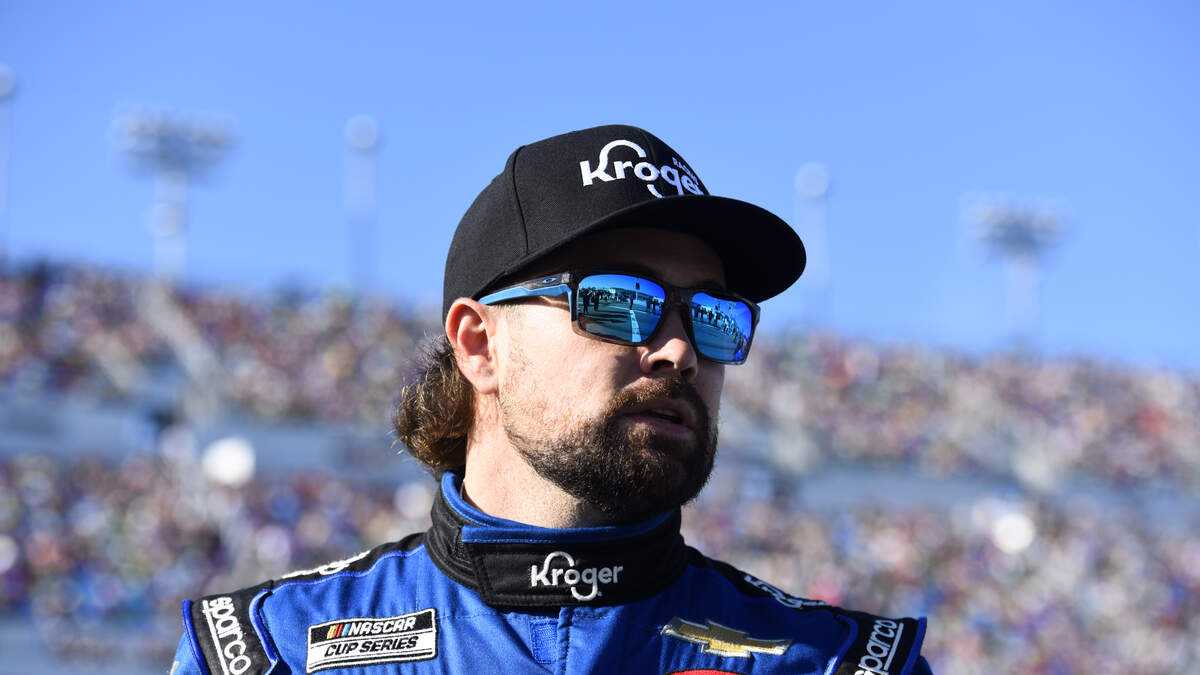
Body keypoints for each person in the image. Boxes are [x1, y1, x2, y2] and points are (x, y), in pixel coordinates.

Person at [171, 124, 933, 674]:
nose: (679, 350)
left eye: (712, 316)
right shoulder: (268, 650)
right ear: (479, 345)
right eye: (620, 301)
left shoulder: (840, 662)